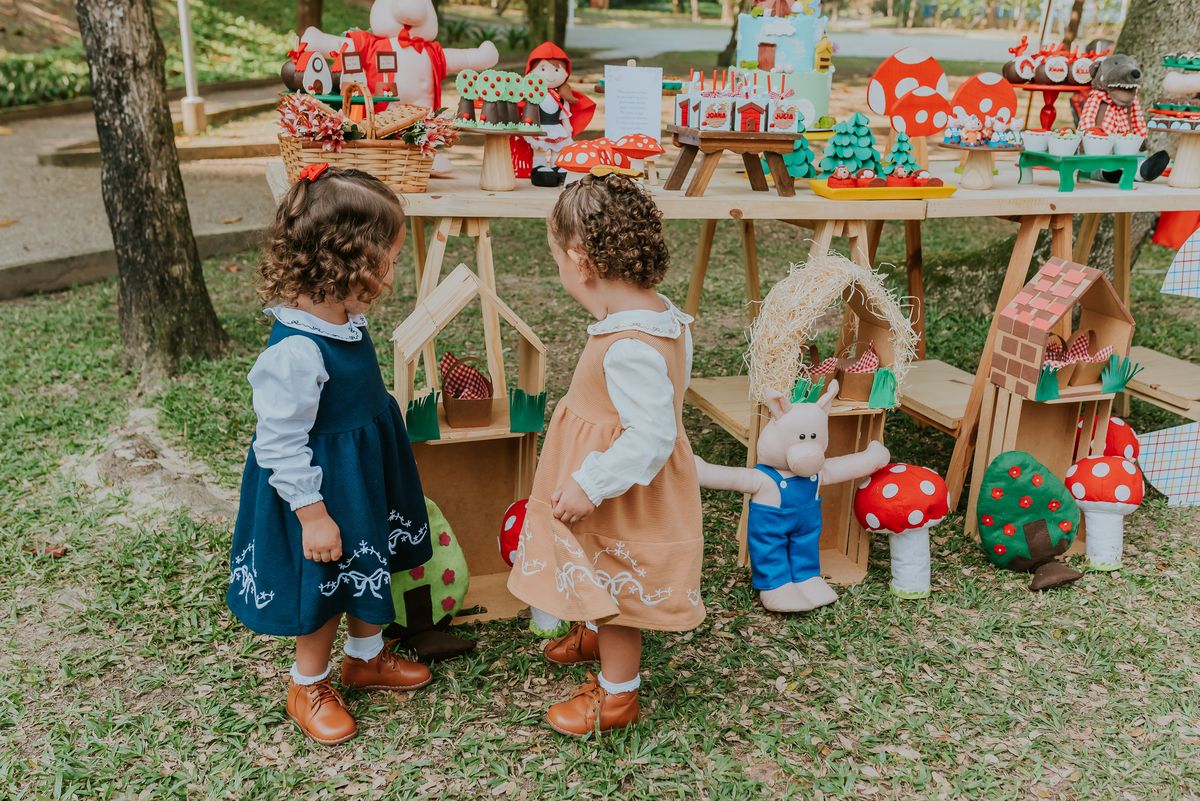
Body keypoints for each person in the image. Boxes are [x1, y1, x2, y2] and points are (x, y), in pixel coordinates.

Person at [226, 164, 433, 746]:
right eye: (388, 259)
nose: (392, 272)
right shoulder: (295, 351)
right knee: (324, 586)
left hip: (361, 473)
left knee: (367, 563)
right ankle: (307, 683)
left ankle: (365, 658)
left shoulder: (341, 317)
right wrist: (313, 516)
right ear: (351, 263)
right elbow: (279, 442)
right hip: (320, 488)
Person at [507, 173, 704, 737]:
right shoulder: (660, 316)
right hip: (615, 482)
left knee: (617, 588)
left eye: (556, 260)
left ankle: (617, 696)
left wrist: (590, 482)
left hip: (619, 493)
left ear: (580, 261)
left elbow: (651, 436)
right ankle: (593, 630)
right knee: (593, 564)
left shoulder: (629, 347)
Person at [521, 42, 597, 185]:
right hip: (540, 128)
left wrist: (567, 126)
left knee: (558, 149)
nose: (550, 75)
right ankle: (539, 167)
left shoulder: (560, 96)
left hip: (556, 127)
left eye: (557, 70)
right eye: (543, 69)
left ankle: (557, 166)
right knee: (539, 148)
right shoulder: (534, 95)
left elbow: (564, 113)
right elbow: (529, 112)